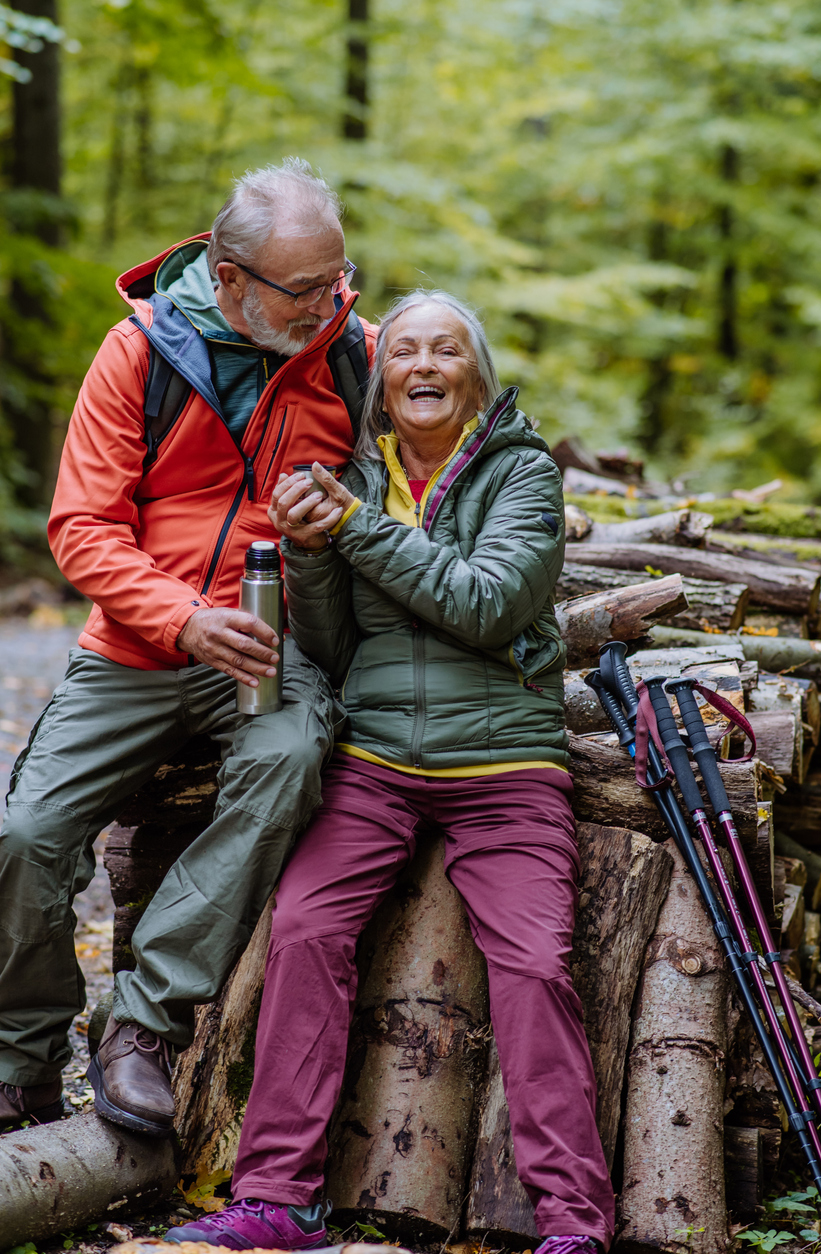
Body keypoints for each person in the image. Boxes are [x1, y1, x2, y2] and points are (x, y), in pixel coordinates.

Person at [166, 291, 615, 1253]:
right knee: (304, 926)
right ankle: (279, 1201)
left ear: (475, 376)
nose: (422, 365)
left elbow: (491, 604)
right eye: (403, 349)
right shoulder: (355, 479)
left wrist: (357, 534)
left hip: (506, 765)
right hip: (374, 762)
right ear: (379, 381)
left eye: (445, 351)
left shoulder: (522, 473)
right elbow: (327, 645)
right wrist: (312, 551)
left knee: (535, 964)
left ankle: (576, 1222)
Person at [0, 157, 375, 1174]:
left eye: (339, 279)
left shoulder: (356, 357)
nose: (327, 304)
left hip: (272, 643)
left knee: (292, 756)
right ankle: (21, 1058)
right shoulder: (138, 355)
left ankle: (144, 1019)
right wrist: (180, 620)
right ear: (226, 271)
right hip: (137, 640)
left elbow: (420, 479)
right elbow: (80, 528)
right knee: (25, 833)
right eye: (302, 288)